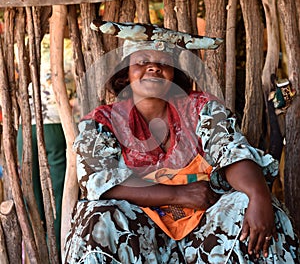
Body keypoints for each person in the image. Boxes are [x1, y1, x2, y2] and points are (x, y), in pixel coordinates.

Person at [64, 22, 299, 264]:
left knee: (246, 203)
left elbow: (231, 151)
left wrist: (258, 195)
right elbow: (99, 182)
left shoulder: (201, 109)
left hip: (203, 230)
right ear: (126, 73)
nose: (154, 67)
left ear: (174, 73)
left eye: (164, 62)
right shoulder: (102, 122)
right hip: (141, 235)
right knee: (96, 215)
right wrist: (178, 194)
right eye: (142, 61)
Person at [17, 34, 77, 259]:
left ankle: (32, 245)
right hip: (56, 122)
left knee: (28, 187)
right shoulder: (68, 45)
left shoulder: (19, 45)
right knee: (60, 186)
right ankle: (59, 241)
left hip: (26, 123)